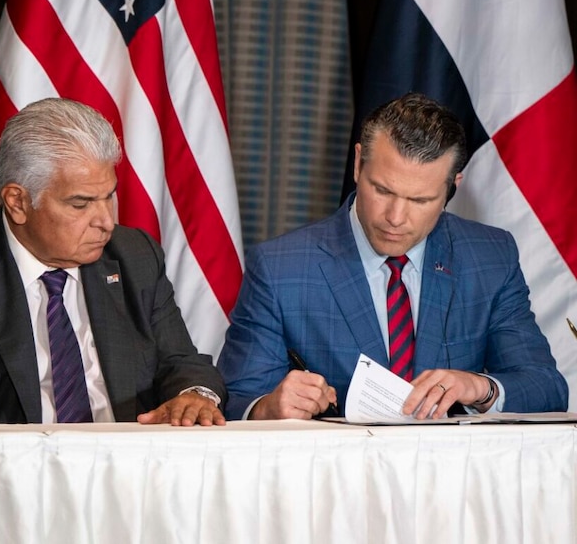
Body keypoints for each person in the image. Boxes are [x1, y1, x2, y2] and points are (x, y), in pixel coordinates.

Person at [0, 97, 226, 426]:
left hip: (126, 471)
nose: (105, 220)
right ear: (17, 202)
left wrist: (194, 395)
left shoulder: (134, 255)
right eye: (81, 204)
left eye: (109, 196)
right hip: (5, 476)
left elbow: (179, 361)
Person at [217, 92, 567, 420]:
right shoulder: (281, 268)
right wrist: (268, 406)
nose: (395, 218)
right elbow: (235, 398)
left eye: (420, 201)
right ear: (358, 165)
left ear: (452, 187)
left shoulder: (490, 257)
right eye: (383, 190)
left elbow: (547, 389)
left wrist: (479, 387)